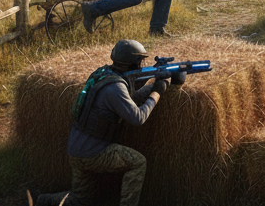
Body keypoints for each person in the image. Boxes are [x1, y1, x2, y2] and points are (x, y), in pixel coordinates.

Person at [35, 39, 169, 206]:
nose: (141, 65)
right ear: (132, 63)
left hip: (76, 149)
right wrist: (157, 92)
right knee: (138, 162)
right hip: (94, 153)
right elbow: (138, 118)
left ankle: (42, 201)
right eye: (139, 62)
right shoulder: (116, 88)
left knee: (80, 199)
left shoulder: (103, 74)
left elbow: (128, 96)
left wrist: (154, 79)